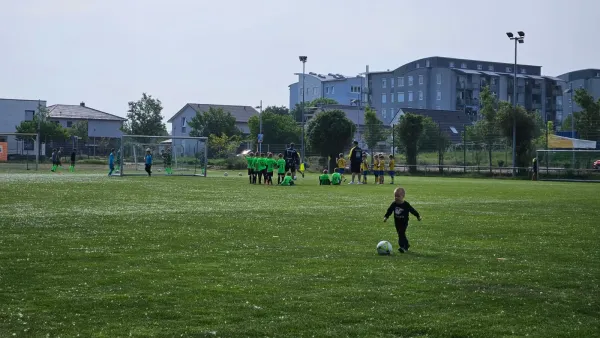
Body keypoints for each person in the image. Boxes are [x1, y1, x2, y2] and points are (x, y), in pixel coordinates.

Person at [383, 187, 422, 253]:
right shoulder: (394, 204)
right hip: (397, 222)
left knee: (401, 233)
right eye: (395, 196)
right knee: (400, 234)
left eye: (398, 196)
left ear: (403, 196)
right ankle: (404, 245)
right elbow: (389, 210)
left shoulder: (406, 204)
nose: (396, 198)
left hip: (404, 222)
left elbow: (412, 210)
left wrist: (418, 216)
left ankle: (404, 247)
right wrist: (386, 217)